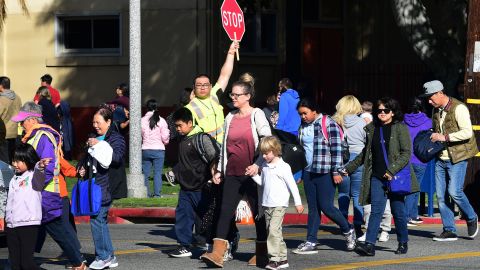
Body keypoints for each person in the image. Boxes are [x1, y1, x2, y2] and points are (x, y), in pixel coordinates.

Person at [201, 80, 272, 268]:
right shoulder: (230, 117)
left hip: (253, 174)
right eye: (232, 95)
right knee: (224, 212)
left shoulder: (257, 115)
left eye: (237, 95)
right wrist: (219, 171)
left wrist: (258, 164)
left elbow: (267, 142)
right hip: (232, 173)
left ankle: (262, 254)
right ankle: (217, 254)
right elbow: (225, 146)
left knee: (259, 214)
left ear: (248, 96)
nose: (233, 98)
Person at [11, 102, 86, 269]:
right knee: (31, 228)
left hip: (45, 192)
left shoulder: (43, 136)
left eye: (22, 121)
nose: (20, 125)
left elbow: (49, 166)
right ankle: (23, 261)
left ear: (31, 119)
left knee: (56, 229)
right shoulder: (34, 136)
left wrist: (33, 186)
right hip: (38, 190)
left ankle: (78, 262)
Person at [344, 97, 419, 256]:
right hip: (377, 176)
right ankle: (370, 245)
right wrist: (348, 168)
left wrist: (391, 170)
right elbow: (365, 153)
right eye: (379, 111)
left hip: (395, 177)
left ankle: (403, 241)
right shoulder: (372, 128)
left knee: (398, 212)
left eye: (386, 110)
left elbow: (406, 154)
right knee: (376, 211)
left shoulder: (400, 128)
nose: (382, 113)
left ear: (392, 112)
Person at [293, 98, 356, 255]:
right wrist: (299, 172)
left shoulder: (328, 124)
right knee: (313, 208)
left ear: (314, 111)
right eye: (300, 114)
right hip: (309, 171)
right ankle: (311, 240)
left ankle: (348, 230)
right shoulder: (303, 126)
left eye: (305, 113)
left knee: (326, 206)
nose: (303, 117)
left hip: (325, 171)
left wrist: (336, 171)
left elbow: (337, 150)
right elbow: (301, 150)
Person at [420, 80, 479, 241]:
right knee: (441, 196)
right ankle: (449, 230)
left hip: (458, 157)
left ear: (440, 93)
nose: (429, 101)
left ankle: (472, 217)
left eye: (431, 97)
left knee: (455, 192)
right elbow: (437, 130)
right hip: (441, 158)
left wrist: (444, 137)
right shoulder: (436, 110)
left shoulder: (459, 108)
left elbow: (467, 133)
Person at [78, 104, 125, 269]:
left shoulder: (116, 138)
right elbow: (85, 157)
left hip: (107, 185)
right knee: (100, 220)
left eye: (98, 122)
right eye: (93, 122)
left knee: (96, 220)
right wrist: (81, 167)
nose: (95, 126)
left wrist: (99, 146)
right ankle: (109, 255)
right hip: (94, 185)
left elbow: (117, 158)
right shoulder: (92, 136)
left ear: (109, 122)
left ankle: (103, 256)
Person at [167, 107, 219, 258]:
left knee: (205, 218)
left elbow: (214, 157)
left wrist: (214, 175)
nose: (178, 129)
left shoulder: (201, 138)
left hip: (202, 187)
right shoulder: (182, 139)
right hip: (185, 188)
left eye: (180, 125)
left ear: (190, 123)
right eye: (176, 126)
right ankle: (184, 245)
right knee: (183, 216)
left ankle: (209, 244)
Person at [251, 136, 304, 270]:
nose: (263, 156)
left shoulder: (284, 167)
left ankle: (274, 259)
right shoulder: (264, 165)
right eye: (262, 153)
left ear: (275, 151)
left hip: (280, 204)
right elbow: (263, 183)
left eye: (266, 153)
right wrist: (253, 176)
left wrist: (298, 203)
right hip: (267, 204)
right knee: (274, 233)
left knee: (273, 231)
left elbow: (292, 186)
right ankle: (282, 259)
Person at [185, 41, 239, 144]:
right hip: (205, 150)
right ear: (194, 88)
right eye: (199, 85)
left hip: (224, 146)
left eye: (205, 85)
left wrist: (231, 53)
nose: (202, 87)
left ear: (210, 86)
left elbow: (224, 75)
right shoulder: (189, 108)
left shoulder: (214, 94)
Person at [5, 144, 46, 270]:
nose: (15, 164)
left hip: (27, 224)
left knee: (27, 263)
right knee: (15, 263)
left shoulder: (33, 176)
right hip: (12, 225)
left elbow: (39, 176)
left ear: (28, 159)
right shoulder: (14, 179)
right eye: (13, 160)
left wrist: (40, 167)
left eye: (19, 161)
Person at [332, 95, 366, 236]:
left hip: (342, 159)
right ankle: (358, 224)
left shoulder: (336, 122)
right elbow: (366, 140)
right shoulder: (362, 122)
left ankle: (344, 223)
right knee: (358, 194)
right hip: (359, 158)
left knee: (343, 193)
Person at [403, 97, 432, 226]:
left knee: (411, 188)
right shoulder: (428, 122)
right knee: (414, 189)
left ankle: (413, 215)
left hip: (406, 159)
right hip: (420, 159)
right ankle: (408, 216)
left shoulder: (403, 121)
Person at [142, 99, 170, 197]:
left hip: (145, 149)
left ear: (147, 108)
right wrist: (165, 143)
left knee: (145, 173)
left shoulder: (142, 120)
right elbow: (165, 137)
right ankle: (157, 194)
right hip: (159, 150)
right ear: (156, 107)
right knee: (157, 173)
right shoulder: (162, 120)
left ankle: (147, 194)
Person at [0, 76, 22, 162]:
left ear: (1, 86)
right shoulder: (17, 97)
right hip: (15, 132)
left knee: (4, 159)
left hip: (3, 133)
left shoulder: (2, 99)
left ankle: (6, 175)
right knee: (12, 158)